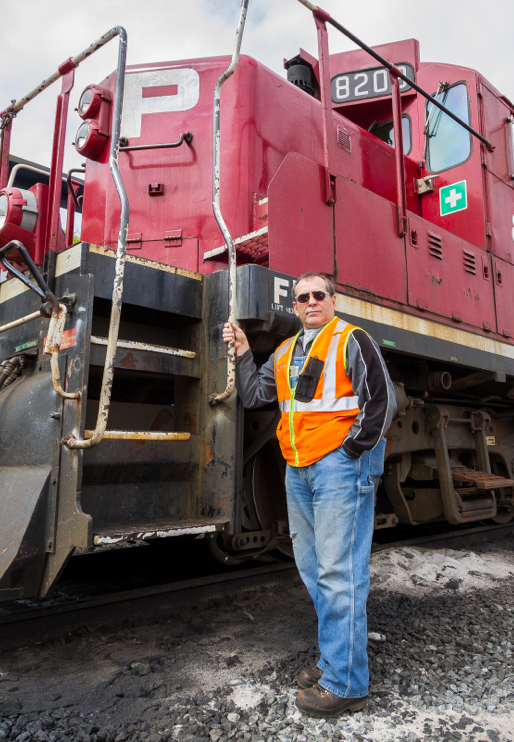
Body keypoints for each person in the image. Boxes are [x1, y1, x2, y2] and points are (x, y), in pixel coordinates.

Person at [223, 272, 395, 718]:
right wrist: (243, 350)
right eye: (303, 297)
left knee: (340, 572)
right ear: (295, 307)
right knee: (313, 567)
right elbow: (255, 394)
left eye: (319, 294)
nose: (311, 301)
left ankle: (347, 684)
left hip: (340, 466)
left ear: (333, 300)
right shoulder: (286, 352)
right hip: (299, 468)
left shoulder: (351, 339)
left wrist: (352, 450)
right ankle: (334, 660)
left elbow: (382, 401)